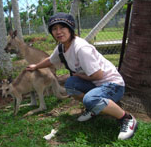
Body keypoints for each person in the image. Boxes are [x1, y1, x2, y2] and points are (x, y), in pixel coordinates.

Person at [26, 12, 137, 140]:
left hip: (113, 85)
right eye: (54, 29)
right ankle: (94, 108)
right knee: (70, 84)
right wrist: (36, 66)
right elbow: (51, 60)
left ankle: (126, 118)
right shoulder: (62, 47)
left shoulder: (81, 48)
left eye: (62, 27)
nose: (58, 32)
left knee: (89, 98)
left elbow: (98, 75)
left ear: (70, 28)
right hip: (96, 84)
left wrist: (78, 75)